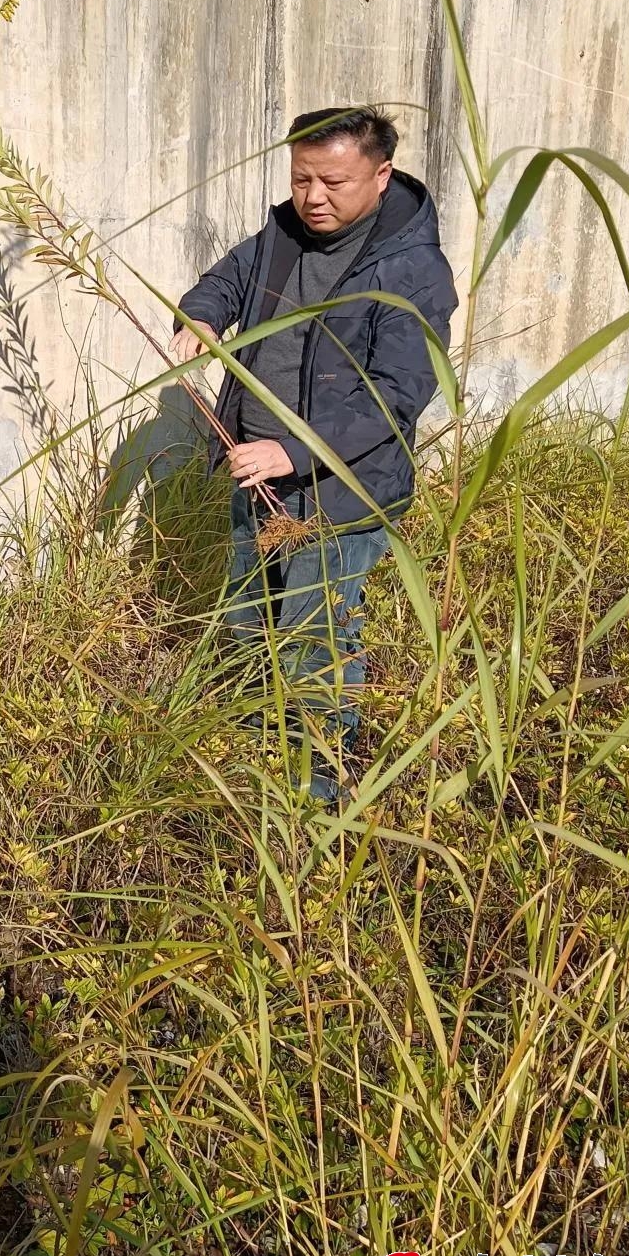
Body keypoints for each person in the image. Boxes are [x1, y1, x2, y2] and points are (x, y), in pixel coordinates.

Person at [170, 108, 456, 795]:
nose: (314, 197)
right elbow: (229, 279)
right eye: (301, 179)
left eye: (333, 181)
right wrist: (202, 311)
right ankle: (253, 763)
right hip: (255, 471)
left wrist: (292, 451)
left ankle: (316, 789)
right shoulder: (285, 234)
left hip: (341, 490)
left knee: (315, 640)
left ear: (381, 175)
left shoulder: (413, 272)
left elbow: (396, 395)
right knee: (250, 620)